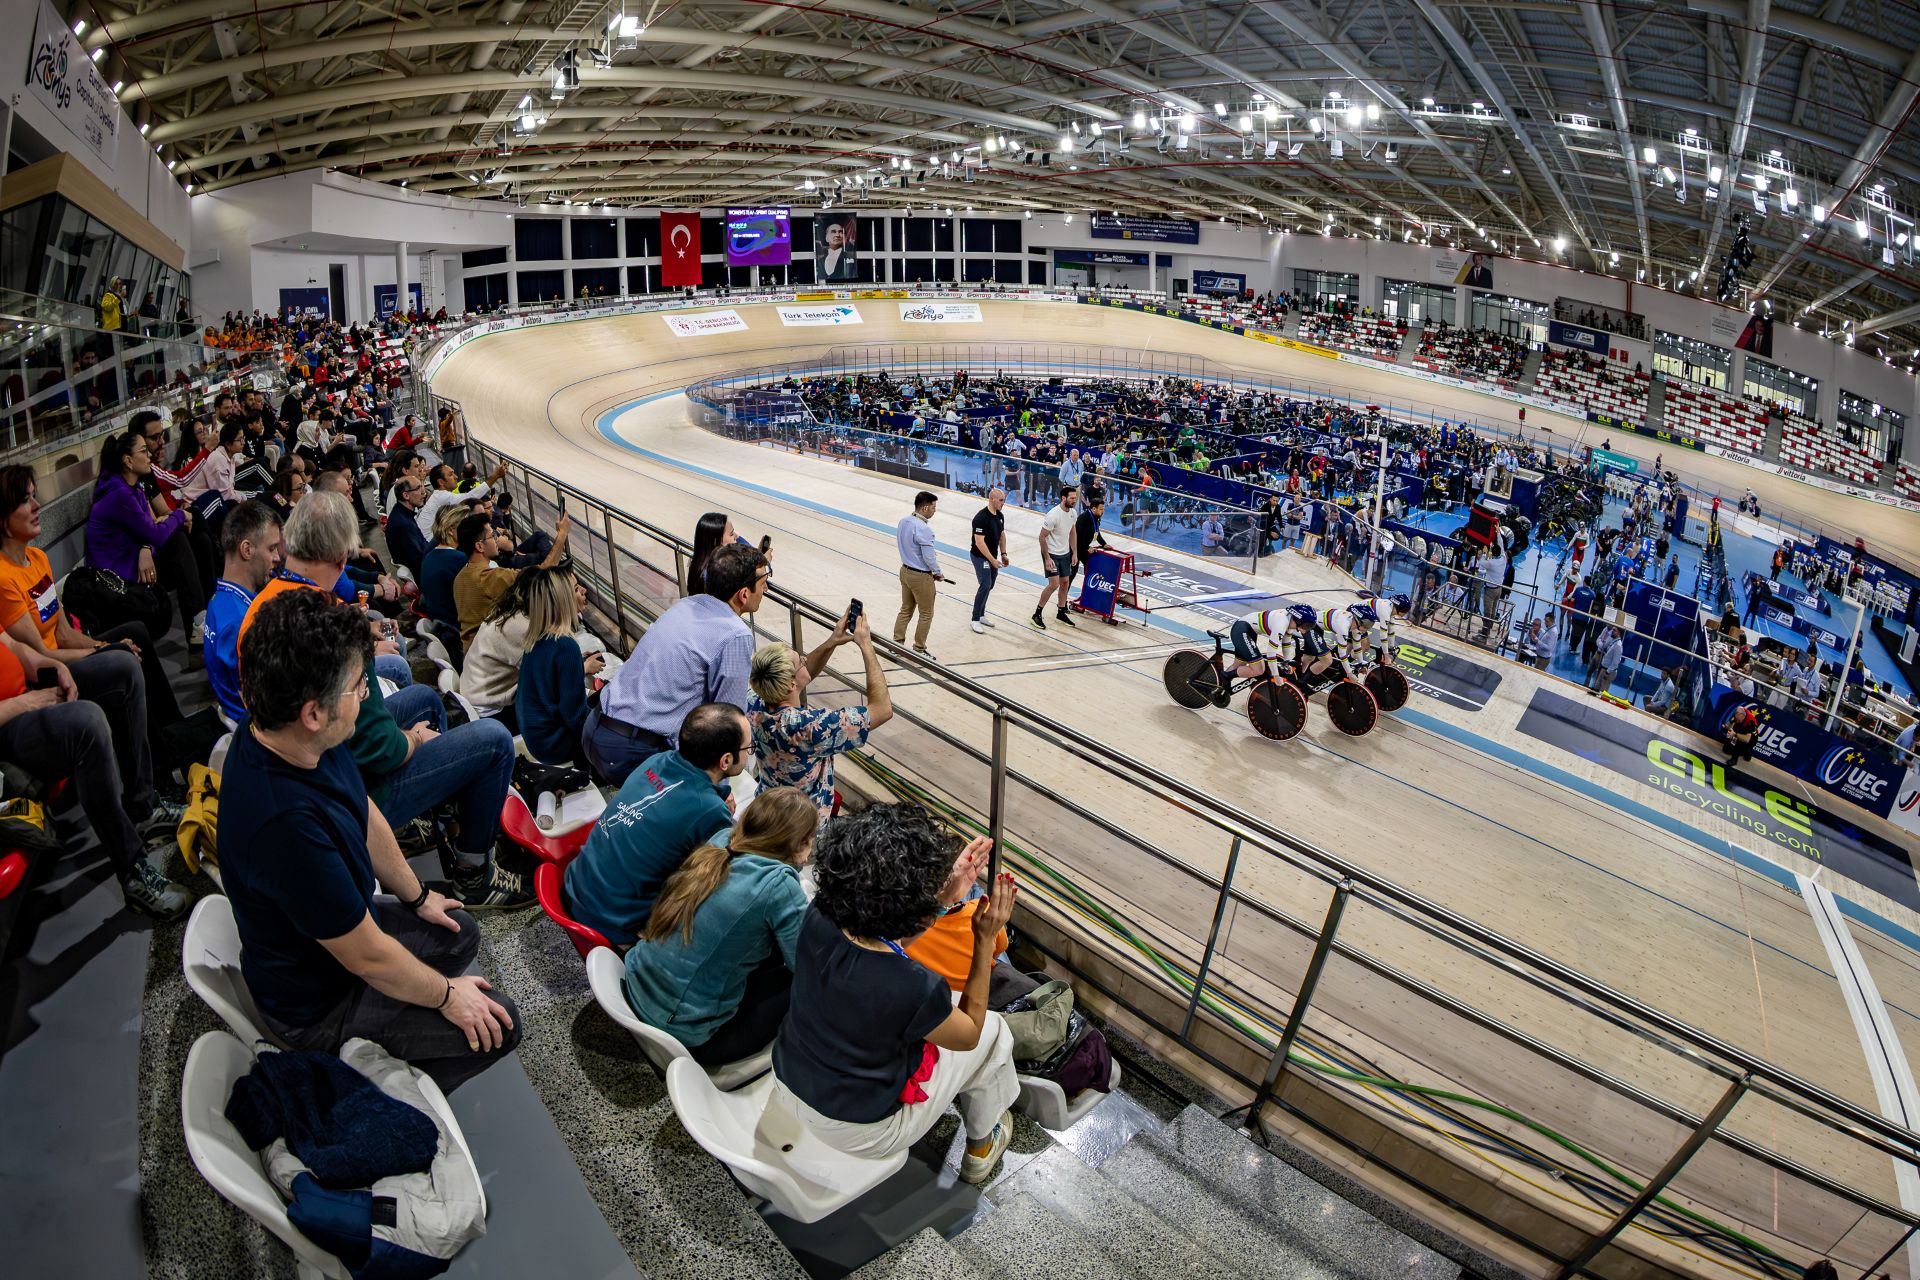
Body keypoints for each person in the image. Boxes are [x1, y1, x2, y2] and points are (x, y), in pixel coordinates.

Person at [220, 589, 519, 1092]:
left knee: (459, 930)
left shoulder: (301, 736)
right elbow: (367, 957)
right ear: (313, 711)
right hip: (318, 1005)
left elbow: (363, 809)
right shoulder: (283, 825)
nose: (366, 696)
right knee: (498, 1023)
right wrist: (448, 997)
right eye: (359, 687)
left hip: (339, 941)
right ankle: (387, 1091)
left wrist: (417, 896)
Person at [242, 491, 528, 909]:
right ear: (342, 558)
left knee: (424, 701)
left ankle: (441, 824)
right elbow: (376, 747)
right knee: (495, 740)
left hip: (317, 772)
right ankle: (474, 873)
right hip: (350, 788)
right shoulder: (330, 624)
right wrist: (411, 741)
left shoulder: (268, 604)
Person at [769, 804, 1021, 1186]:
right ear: (909, 906)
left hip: (787, 1077)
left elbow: (883, 934)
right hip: (860, 1128)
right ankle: (982, 1146)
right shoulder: (913, 985)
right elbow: (968, 1033)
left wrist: (941, 900)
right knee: (994, 1032)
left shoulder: (819, 913)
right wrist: (983, 939)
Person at [0, 465, 186, 762]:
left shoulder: (37, 558)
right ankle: (152, 787)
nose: (37, 506)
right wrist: (107, 651)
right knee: (122, 662)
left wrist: (103, 647)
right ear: (4, 519)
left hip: (63, 652)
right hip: (50, 673)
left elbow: (63, 633)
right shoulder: (4, 578)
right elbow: (40, 658)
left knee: (134, 631)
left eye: (35, 496)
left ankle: (173, 730)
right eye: (25, 500)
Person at [624, 787, 816, 1065]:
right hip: (686, 1032)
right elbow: (805, 967)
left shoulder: (720, 844)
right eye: (809, 843)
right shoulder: (778, 886)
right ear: (798, 844)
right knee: (811, 986)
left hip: (638, 986)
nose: (809, 854)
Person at [565, 703, 750, 946]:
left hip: (576, 889)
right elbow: (723, 879)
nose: (749, 753)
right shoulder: (709, 811)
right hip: (611, 923)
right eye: (748, 747)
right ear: (726, 760)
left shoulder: (658, 760)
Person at [586, 543, 768, 786]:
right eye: (763, 581)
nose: (766, 587)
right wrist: (718, 790)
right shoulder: (735, 635)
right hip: (632, 752)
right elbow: (727, 723)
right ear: (743, 594)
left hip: (596, 726)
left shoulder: (686, 604)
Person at [748, 609, 892, 820]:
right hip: (804, 830)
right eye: (801, 662)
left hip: (767, 813)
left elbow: (801, 677)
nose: (806, 660)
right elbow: (882, 709)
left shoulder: (754, 702)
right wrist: (866, 644)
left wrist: (832, 642)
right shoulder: (812, 727)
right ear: (790, 684)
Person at [85, 427, 208, 643]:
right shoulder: (119, 494)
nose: (149, 455)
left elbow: (149, 532)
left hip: (136, 566)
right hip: (117, 584)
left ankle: (203, 620)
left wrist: (145, 548)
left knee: (199, 540)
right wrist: (179, 515)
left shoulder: (134, 488)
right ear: (128, 461)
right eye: (143, 451)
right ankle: (200, 624)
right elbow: (155, 533)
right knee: (178, 538)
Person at [202, 500, 285, 723]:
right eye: (271, 548)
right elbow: (267, 704)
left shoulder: (220, 602)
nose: (277, 557)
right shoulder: (240, 622)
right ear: (247, 550)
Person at [515, 566, 605, 765]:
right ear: (562, 600)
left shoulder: (538, 635)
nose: (583, 591)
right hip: (554, 745)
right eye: (574, 589)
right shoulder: (565, 646)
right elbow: (576, 718)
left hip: (536, 737)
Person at [454, 510, 569, 648]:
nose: (497, 539)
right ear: (479, 546)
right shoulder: (487, 578)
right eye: (493, 535)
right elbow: (543, 572)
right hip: (490, 656)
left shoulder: (461, 576)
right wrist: (562, 535)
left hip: (474, 652)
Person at [893, 491, 945, 655]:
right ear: (924, 508)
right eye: (933, 507)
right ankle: (919, 649)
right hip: (921, 577)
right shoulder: (924, 529)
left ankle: (896, 644)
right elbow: (929, 557)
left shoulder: (903, 521)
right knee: (926, 613)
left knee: (906, 609)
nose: (934, 510)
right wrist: (938, 572)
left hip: (905, 571)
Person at [417, 459, 505, 541]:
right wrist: (495, 476)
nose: (456, 477)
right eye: (450, 474)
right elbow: (470, 496)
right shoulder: (441, 496)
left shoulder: (439, 495)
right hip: (427, 544)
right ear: (441, 482)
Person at [1032, 484, 1080, 630]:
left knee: (1065, 582)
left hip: (1064, 553)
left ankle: (1061, 612)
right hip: (1051, 554)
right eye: (1072, 498)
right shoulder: (1053, 515)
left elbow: (1072, 533)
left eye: (1075, 498)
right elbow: (1041, 537)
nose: (1074, 501)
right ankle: (1037, 614)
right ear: (1063, 498)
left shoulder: (1073, 513)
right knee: (1054, 584)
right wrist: (1047, 558)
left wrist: (1074, 553)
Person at [968, 488, 1010, 635]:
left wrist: (1003, 553)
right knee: (985, 584)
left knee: (990, 584)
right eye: (1001, 500)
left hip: (993, 557)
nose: (1003, 503)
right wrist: (992, 560)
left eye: (1003, 500)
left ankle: (981, 614)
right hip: (980, 557)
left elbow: (1002, 535)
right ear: (992, 499)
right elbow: (979, 543)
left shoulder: (1000, 516)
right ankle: (975, 619)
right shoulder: (980, 518)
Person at [384, 474, 432, 580]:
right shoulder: (402, 524)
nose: (423, 492)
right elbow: (419, 558)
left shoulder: (401, 514)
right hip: (426, 576)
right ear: (406, 495)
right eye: (418, 488)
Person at [814, 216, 857, 281]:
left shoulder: (850, 258)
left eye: (840, 232)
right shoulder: (819, 261)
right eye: (833, 231)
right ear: (826, 238)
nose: (837, 235)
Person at [1587, 625, 1624, 694]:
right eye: (1612, 630)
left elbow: (1616, 662)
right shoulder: (1614, 642)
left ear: (1619, 633)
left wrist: (1608, 672)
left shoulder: (1618, 646)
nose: (1612, 631)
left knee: (1602, 693)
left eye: (1614, 630)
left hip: (1608, 672)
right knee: (1594, 690)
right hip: (1604, 669)